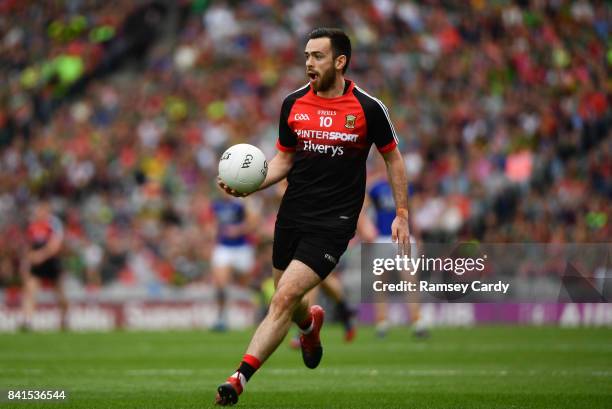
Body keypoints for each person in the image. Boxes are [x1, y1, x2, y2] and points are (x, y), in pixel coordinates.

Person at [215, 27, 410, 406]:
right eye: (306, 55)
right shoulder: (292, 104)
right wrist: (252, 185)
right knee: (291, 302)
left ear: (340, 62)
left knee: (283, 297)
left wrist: (401, 213)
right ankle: (310, 325)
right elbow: (284, 159)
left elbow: (393, 157)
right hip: (292, 215)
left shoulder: (369, 108)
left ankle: (238, 378)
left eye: (317, 56)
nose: (308, 62)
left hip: (334, 221)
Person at [365, 167, 428, 338]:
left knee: (410, 280)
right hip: (383, 237)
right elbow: (363, 207)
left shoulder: (407, 187)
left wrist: (418, 236)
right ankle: (382, 322)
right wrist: (367, 230)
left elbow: (413, 214)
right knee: (381, 283)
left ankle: (417, 321)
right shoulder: (376, 187)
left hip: (404, 237)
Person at [210, 190, 259, 331]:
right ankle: (221, 318)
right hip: (223, 247)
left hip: (242, 248)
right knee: (220, 284)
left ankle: (256, 313)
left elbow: (253, 223)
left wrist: (237, 230)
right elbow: (212, 225)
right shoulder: (216, 205)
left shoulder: (241, 203)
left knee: (246, 285)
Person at [20, 200, 67, 331]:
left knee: (60, 293)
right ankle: (27, 321)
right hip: (36, 263)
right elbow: (27, 245)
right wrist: (27, 260)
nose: (39, 213)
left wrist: (41, 255)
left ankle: (64, 319)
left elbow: (55, 244)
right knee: (30, 291)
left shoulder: (54, 224)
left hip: (52, 262)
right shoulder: (32, 225)